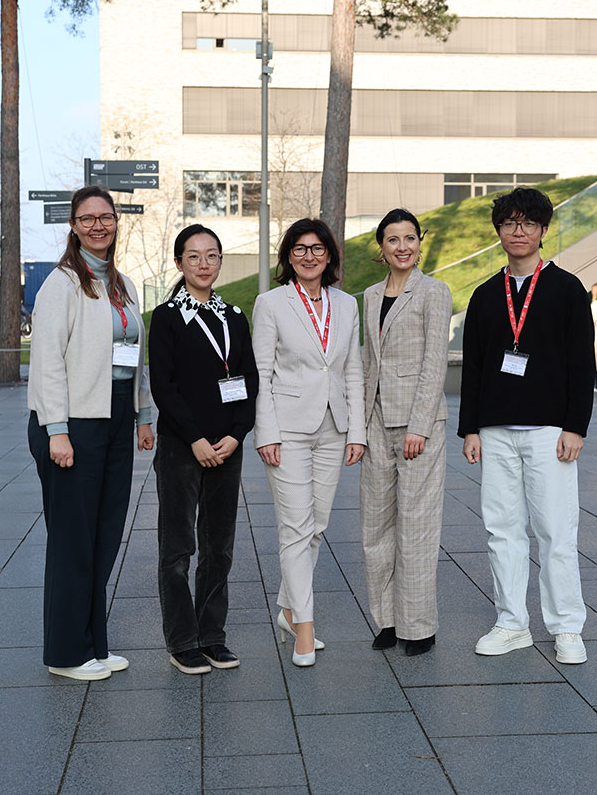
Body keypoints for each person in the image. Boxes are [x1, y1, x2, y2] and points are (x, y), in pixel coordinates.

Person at [458, 187, 594, 665]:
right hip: (495, 430)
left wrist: (575, 426)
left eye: (529, 223)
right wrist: (470, 428)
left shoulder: (566, 289)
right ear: (499, 231)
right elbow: (472, 366)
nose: (519, 231)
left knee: (556, 530)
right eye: (510, 223)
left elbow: (582, 363)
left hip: (549, 431)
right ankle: (512, 622)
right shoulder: (484, 295)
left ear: (542, 231)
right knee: (502, 530)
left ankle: (566, 628)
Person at [27, 185, 155, 681]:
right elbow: (48, 363)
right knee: (73, 540)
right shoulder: (62, 284)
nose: (98, 225)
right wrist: (56, 430)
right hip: (73, 424)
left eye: (106, 217)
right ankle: (65, 654)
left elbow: (133, 356)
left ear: (117, 222)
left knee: (104, 536)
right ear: (74, 225)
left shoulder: (121, 283)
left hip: (116, 417)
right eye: (88, 218)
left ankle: (93, 645)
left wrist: (143, 416)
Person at [253, 217, 366, 667]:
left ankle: (287, 608)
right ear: (288, 256)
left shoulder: (346, 305)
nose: (309, 256)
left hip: (333, 429)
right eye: (299, 248)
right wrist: (266, 432)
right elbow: (261, 372)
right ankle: (305, 627)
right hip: (289, 429)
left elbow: (351, 369)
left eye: (317, 248)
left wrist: (356, 430)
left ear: (329, 256)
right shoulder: (271, 303)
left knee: (316, 525)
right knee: (295, 528)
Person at [149, 225, 258, 675]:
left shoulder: (233, 315)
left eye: (211, 256)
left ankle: (212, 635)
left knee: (220, 547)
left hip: (227, 446)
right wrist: (195, 438)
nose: (203, 264)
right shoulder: (168, 317)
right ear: (179, 263)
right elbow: (164, 387)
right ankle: (182, 639)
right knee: (178, 548)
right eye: (193, 257)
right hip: (182, 446)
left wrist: (237, 434)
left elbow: (248, 380)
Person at [359, 208, 452, 657]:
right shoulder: (370, 296)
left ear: (420, 243)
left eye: (410, 238)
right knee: (376, 529)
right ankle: (387, 621)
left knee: (416, 527)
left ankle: (419, 627)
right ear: (382, 247)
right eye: (393, 239)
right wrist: (358, 426)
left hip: (419, 428)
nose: (402, 247)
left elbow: (435, 365)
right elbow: (367, 363)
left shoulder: (435, 292)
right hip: (376, 423)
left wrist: (419, 426)